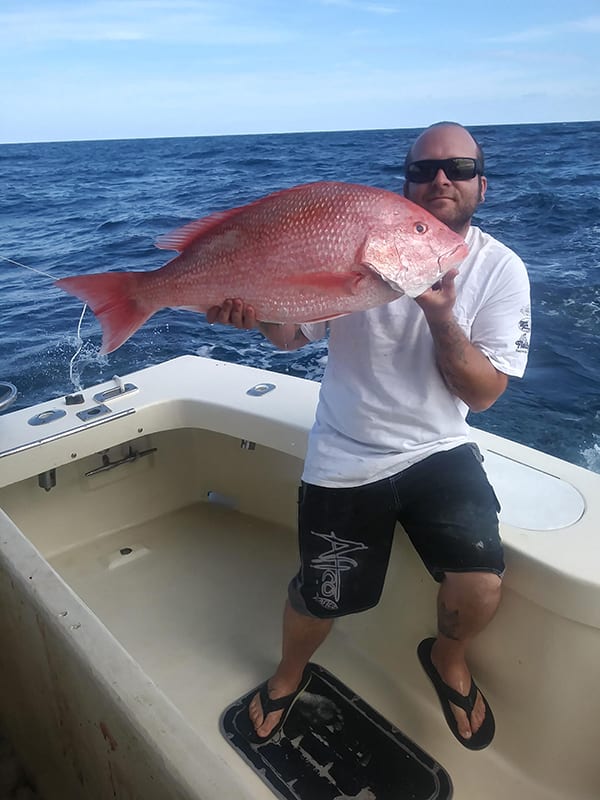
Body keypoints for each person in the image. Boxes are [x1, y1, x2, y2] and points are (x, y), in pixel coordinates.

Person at [207, 121, 531, 750]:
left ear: (481, 187)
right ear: (404, 186)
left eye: (459, 169)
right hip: (345, 452)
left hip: (439, 447)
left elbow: (485, 395)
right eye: (423, 170)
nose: (440, 179)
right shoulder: (365, 247)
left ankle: (447, 657)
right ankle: (288, 672)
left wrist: (441, 319)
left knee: (481, 583)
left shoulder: (501, 270)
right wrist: (253, 310)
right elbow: (288, 335)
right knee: (323, 593)